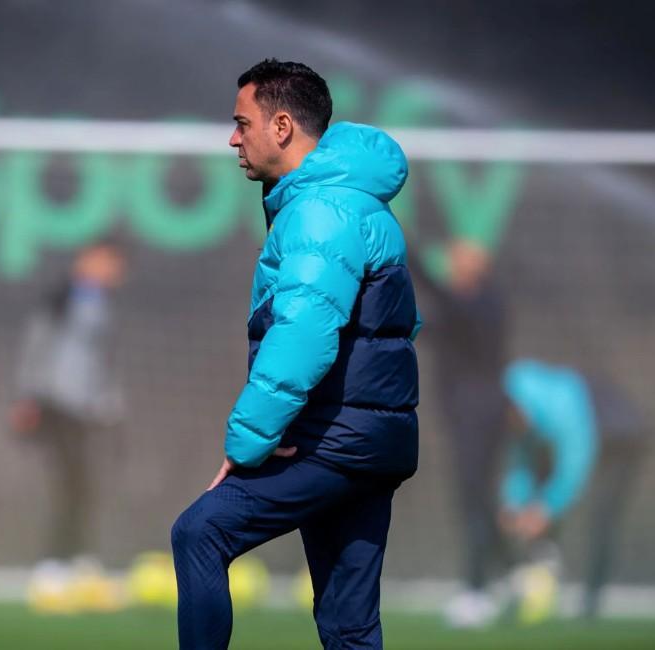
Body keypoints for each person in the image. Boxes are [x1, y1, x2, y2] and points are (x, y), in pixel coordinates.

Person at [170, 59, 421, 650]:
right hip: (372, 441)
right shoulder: (353, 202)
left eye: (242, 123)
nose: (234, 138)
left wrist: (248, 442)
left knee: (199, 531)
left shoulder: (319, 211)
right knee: (348, 626)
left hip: (334, 441)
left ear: (282, 125)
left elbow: (303, 333)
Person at [497, 358, 651, 619]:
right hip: (590, 431)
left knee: (602, 516)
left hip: (621, 434)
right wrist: (513, 505)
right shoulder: (515, 414)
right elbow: (521, 462)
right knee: (540, 503)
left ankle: (591, 602)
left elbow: (575, 465)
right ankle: (538, 583)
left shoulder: (561, 409)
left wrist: (545, 509)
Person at [412, 238, 510, 627]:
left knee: (473, 498)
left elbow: (442, 299)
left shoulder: (484, 305)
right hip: (464, 416)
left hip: (481, 415)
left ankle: (476, 590)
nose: (452, 268)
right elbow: (424, 322)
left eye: (458, 263)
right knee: (476, 499)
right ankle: (510, 570)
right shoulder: (457, 307)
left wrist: (405, 247)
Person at [11, 242, 125, 563]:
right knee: (68, 485)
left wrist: (109, 404)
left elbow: (102, 362)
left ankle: (78, 557)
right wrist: (27, 397)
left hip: (88, 412)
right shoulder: (61, 300)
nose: (111, 271)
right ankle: (56, 561)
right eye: (104, 262)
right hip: (57, 405)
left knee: (84, 486)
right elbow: (36, 348)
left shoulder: (104, 304)